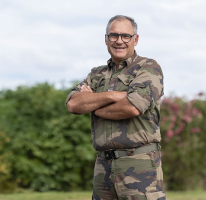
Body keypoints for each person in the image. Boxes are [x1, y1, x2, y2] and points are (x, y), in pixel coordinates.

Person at [66, 15, 166, 200]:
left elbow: (132, 107)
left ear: (135, 39)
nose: (119, 41)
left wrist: (94, 106)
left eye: (125, 36)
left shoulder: (148, 68)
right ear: (106, 39)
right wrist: (112, 96)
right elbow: (73, 103)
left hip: (139, 163)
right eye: (114, 35)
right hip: (103, 165)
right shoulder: (97, 75)